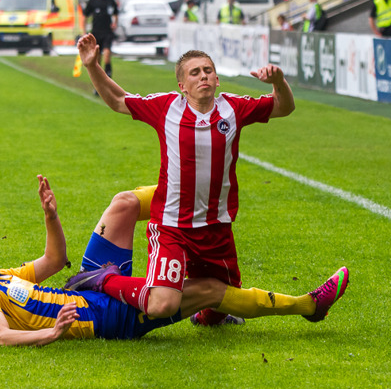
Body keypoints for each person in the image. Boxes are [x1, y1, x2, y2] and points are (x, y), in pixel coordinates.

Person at [76, 35, 320, 327]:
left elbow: (284, 107)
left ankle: (205, 317)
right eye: (195, 73)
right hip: (172, 227)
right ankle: (103, 279)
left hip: (216, 228)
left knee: (221, 304)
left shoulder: (234, 108)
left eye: (207, 71)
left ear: (217, 79)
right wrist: (92, 65)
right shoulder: (166, 108)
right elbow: (117, 100)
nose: (203, 76)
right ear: (182, 86)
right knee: (163, 304)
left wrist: (278, 82)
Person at [0, 176, 350, 346]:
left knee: (123, 204)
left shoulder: (2, 276)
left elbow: (55, 258)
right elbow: (0, 336)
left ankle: (193, 195)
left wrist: (50, 215)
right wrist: (51, 334)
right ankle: (308, 306)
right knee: (209, 290)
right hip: (106, 319)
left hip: (82, 287)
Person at [83, 0, 118, 80]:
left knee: (107, 55)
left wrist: (115, 23)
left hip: (107, 33)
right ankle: (98, 85)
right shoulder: (93, 1)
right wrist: (84, 31)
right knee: (97, 60)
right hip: (96, 33)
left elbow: (115, 14)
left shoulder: (111, 1)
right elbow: (85, 16)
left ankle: (109, 79)